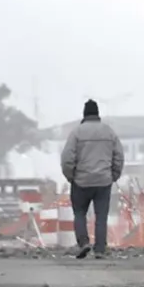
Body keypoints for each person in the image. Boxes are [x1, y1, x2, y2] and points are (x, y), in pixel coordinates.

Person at [60, 99, 125, 259]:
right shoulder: (109, 132)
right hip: (103, 181)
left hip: (81, 181)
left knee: (80, 213)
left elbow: (67, 158)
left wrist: (71, 177)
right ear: (97, 114)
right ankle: (100, 249)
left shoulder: (76, 133)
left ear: (84, 114)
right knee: (101, 216)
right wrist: (113, 176)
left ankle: (83, 243)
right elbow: (119, 156)